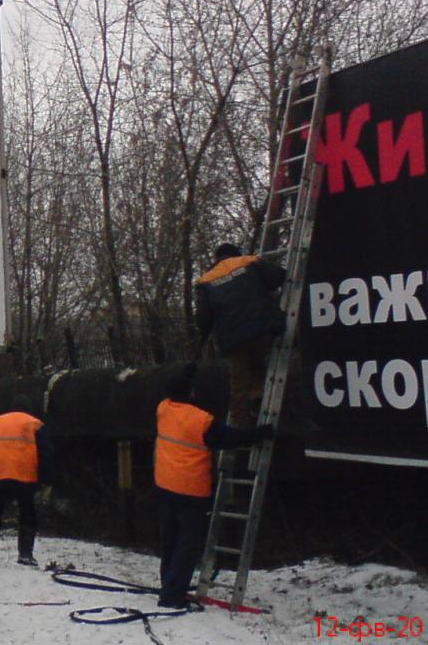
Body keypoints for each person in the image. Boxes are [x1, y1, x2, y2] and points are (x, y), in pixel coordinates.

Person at [154, 365, 273, 609]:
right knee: (188, 544)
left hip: (165, 486)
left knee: (171, 540)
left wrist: (186, 375)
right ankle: (172, 596)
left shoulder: (163, 409)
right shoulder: (201, 420)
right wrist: (260, 433)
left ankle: (169, 585)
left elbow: (174, 393)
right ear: (191, 393)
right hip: (190, 490)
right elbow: (229, 438)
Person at [195, 243, 286, 426]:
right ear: (236, 253)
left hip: (233, 340)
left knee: (238, 384)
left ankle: (241, 427)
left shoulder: (205, 281)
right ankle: (258, 398)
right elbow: (279, 276)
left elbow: (203, 319)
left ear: (216, 257)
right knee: (261, 368)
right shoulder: (249, 261)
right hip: (262, 329)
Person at [0, 393, 55, 568]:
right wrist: (46, 482)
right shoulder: (36, 424)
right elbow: (47, 454)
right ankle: (25, 554)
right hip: (26, 476)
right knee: (27, 512)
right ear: (28, 408)